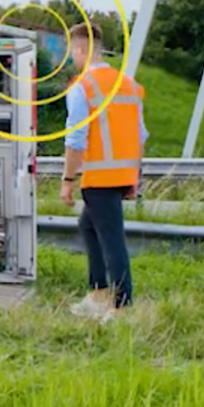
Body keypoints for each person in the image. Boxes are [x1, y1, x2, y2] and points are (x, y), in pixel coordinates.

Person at [58, 17, 148, 316]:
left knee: (111, 239)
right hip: (122, 174)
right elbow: (141, 136)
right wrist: (134, 177)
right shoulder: (129, 85)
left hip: (98, 176)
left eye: (71, 52)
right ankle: (97, 294)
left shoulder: (82, 87)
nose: (71, 58)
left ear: (81, 50)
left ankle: (122, 307)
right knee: (88, 226)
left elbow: (76, 139)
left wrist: (67, 179)